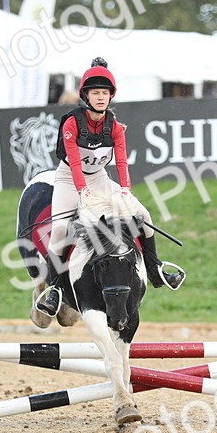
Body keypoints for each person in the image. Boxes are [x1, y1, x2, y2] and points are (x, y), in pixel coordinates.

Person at [35, 58, 185, 317]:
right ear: (86, 96)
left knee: (144, 216)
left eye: (105, 93)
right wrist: (83, 192)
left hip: (100, 178)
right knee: (60, 230)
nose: (101, 97)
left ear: (110, 96)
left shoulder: (114, 126)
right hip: (69, 180)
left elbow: (123, 160)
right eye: (96, 93)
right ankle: (55, 288)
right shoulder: (72, 123)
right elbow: (73, 163)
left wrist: (125, 189)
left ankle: (155, 269)